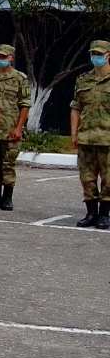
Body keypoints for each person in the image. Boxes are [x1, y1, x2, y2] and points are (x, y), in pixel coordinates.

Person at [0, 44, 30, 211]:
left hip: (10, 129)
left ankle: (7, 197)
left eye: (3, 57)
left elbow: (24, 105)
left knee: (8, 164)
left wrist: (19, 127)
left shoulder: (20, 78)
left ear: (11, 58)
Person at [70, 38, 110, 229]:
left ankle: (104, 214)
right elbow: (76, 107)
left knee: (109, 180)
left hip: (107, 138)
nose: (95, 57)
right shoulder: (83, 80)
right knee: (87, 178)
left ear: (108, 55)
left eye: (99, 54)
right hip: (86, 136)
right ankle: (91, 213)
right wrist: (74, 133)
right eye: (93, 54)